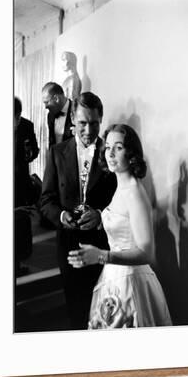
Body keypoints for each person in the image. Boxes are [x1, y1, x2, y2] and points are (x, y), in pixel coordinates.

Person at [68, 124, 172, 329]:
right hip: (113, 275)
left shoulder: (134, 192)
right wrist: (99, 219)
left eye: (118, 147)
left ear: (131, 153)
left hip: (132, 279)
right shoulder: (119, 186)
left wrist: (101, 255)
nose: (110, 153)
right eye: (107, 147)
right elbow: (122, 221)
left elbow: (146, 252)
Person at [41, 92, 117, 329]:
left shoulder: (111, 153)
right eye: (83, 123)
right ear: (73, 118)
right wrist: (62, 216)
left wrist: (100, 215)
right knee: (75, 308)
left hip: (101, 244)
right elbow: (45, 200)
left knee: (103, 310)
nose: (88, 130)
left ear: (101, 120)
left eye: (94, 123)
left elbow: (120, 200)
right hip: (69, 244)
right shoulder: (56, 153)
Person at [14, 97, 39, 207]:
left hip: (21, 180)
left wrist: (30, 153)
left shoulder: (27, 126)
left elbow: (35, 150)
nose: (15, 124)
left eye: (17, 118)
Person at [42, 82, 73, 148]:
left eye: (47, 102)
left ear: (56, 99)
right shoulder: (50, 115)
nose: (45, 107)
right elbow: (51, 142)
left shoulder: (77, 111)